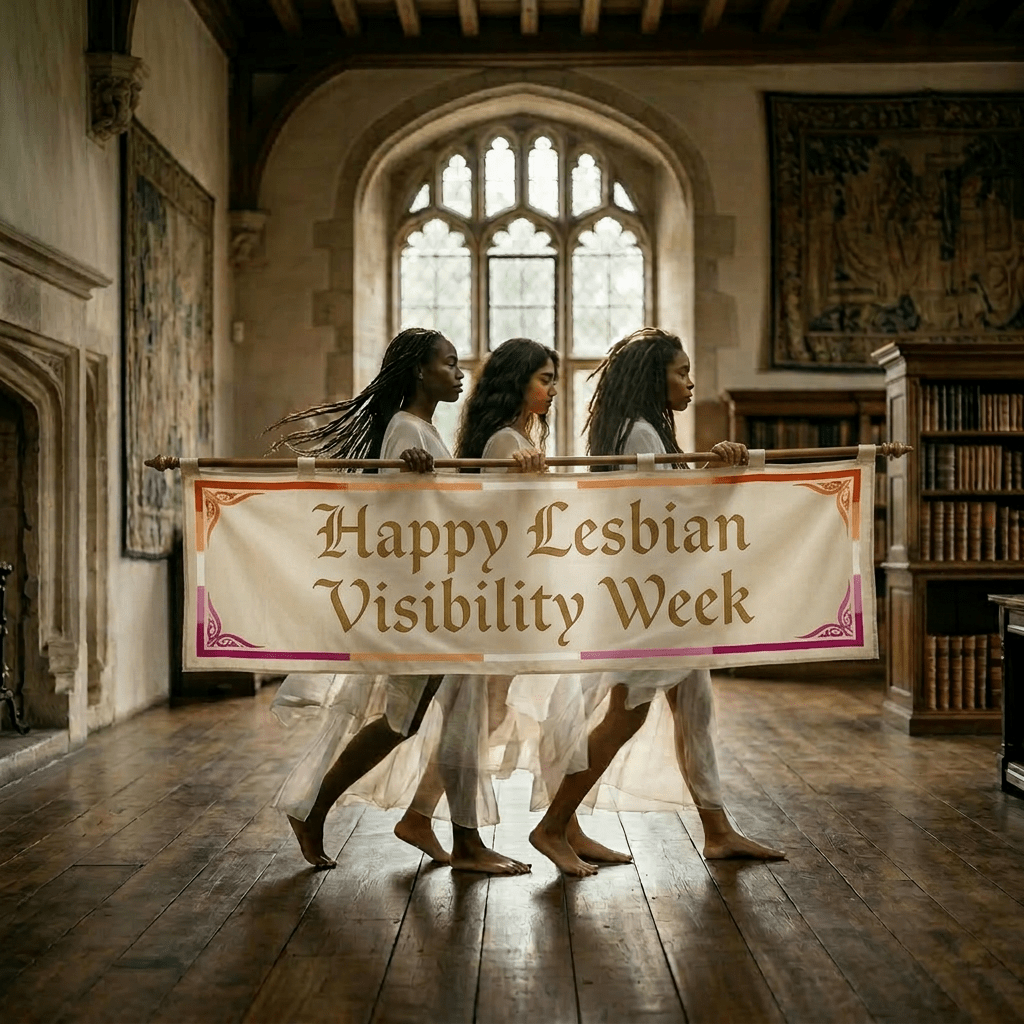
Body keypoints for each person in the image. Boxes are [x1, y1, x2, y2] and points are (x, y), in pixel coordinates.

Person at [265, 327, 529, 875]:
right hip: (423, 607)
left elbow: (448, 517)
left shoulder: (421, 430)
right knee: (422, 717)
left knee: (413, 719)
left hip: (438, 601)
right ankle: (325, 811)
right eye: (449, 364)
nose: (460, 375)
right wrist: (408, 474)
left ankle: (326, 811)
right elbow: (392, 516)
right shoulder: (406, 432)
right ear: (419, 371)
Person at [528, 327, 786, 876]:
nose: (691, 383)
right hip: (652, 605)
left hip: (670, 602)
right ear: (655, 377)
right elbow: (663, 519)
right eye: (681, 372)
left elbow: (669, 501)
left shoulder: (638, 432)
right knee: (626, 717)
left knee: (695, 711)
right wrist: (720, 476)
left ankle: (717, 831)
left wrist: (710, 470)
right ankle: (552, 826)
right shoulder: (640, 434)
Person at [391, 338, 630, 868]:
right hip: (497, 601)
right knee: (480, 713)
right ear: (517, 381)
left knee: (491, 712)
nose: (551, 389)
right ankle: (508, 834)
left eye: (554, 380)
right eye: (544, 378)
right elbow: (491, 525)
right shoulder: (504, 441)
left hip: (513, 597)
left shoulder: (515, 438)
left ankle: (424, 815)